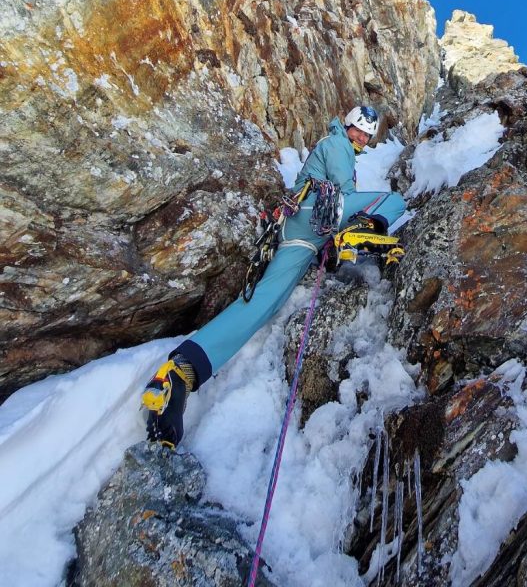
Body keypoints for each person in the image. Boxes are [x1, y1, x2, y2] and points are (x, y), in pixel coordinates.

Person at [141, 104, 406, 448]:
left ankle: (179, 373)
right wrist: (353, 227)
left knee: (264, 302)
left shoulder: (334, 146)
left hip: (300, 232)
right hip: (319, 213)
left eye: (366, 134)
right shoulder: (337, 144)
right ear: (348, 125)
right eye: (358, 129)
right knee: (393, 201)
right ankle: (358, 232)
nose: (361, 136)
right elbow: (345, 194)